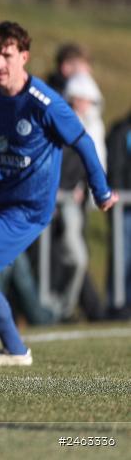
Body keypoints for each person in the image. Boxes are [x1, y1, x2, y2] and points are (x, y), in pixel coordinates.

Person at [0, 21, 116, 367]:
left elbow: (82, 141)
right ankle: (17, 352)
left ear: (25, 57)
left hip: (27, 208)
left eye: (7, 55)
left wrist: (100, 188)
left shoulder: (45, 102)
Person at [106, 108, 131, 315]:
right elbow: (116, 167)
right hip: (124, 206)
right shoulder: (121, 131)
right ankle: (116, 304)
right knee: (121, 257)